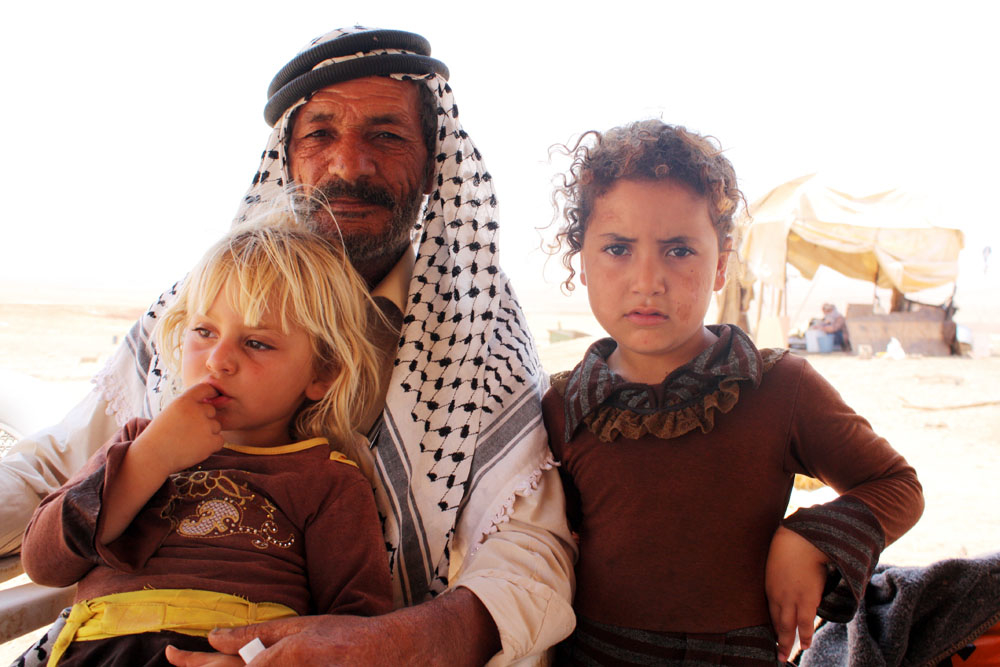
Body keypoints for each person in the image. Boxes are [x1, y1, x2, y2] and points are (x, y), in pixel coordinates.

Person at [2, 27, 575, 666]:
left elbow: (531, 556)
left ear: (433, 160)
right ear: (288, 156)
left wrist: (382, 646)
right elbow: (56, 466)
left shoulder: (480, 337)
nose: (350, 165)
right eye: (320, 135)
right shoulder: (200, 307)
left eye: (386, 136)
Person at [541, 120, 924, 665]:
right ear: (582, 262)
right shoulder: (564, 406)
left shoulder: (780, 389)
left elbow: (896, 485)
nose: (647, 279)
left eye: (678, 250)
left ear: (721, 265)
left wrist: (809, 539)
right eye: (618, 248)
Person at [20, 223, 394, 665]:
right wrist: (148, 460)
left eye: (256, 343)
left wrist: (257, 658)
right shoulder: (138, 442)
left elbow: (358, 632)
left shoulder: (327, 480)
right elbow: (43, 563)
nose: (218, 360)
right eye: (203, 331)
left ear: (322, 373)